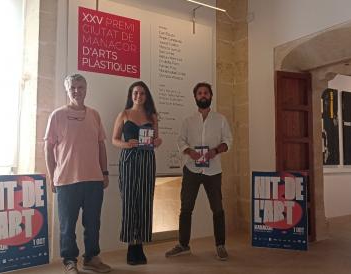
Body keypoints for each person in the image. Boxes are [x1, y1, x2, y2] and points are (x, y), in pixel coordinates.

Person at [44, 74, 112, 274]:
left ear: (86, 89)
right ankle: (69, 261)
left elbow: (101, 145)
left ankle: (91, 258)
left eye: (80, 87)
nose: (77, 91)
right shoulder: (57, 115)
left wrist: (105, 172)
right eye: (73, 87)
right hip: (66, 180)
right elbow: (47, 148)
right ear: (67, 90)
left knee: (93, 224)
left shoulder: (94, 115)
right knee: (67, 226)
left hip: (94, 180)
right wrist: (51, 176)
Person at [165, 82, 232, 261]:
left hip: (213, 171)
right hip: (191, 169)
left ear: (211, 96)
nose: (203, 95)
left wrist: (216, 151)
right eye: (200, 93)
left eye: (206, 93)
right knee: (186, 208)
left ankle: (220, 245)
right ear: (195, 97)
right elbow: (180, 141)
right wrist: (189, 151)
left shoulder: (221, 119)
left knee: (217, 209)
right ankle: (183, 245)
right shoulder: (188, 121)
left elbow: (228, 141)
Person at [112, 81, 162, 265]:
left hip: (147, 161)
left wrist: (158, 142)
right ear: (130, 95)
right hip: (129, 160)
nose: (138, 96)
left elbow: (156, 139)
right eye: (135, 93)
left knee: (145, 201)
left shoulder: (152, 116)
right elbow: (114, 140)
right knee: (129, 201)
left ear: (146, 96)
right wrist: (126, 144)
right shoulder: (124, 114)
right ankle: (130, 247)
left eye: (142, 93)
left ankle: (140, 245)